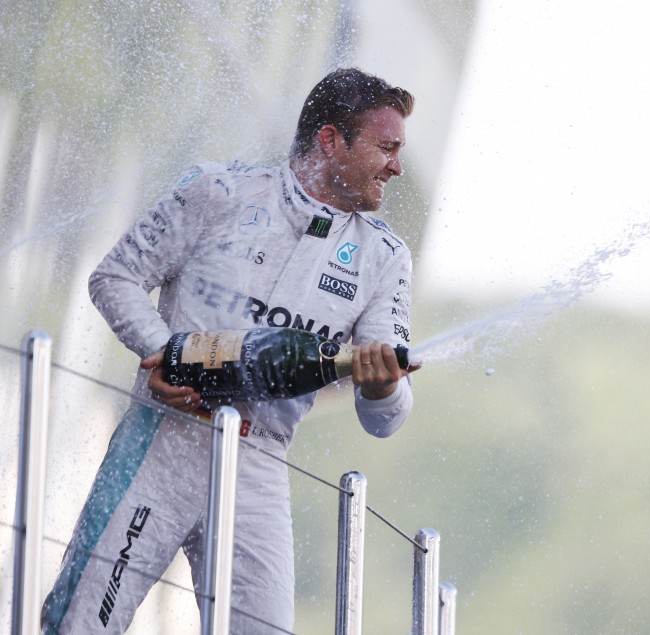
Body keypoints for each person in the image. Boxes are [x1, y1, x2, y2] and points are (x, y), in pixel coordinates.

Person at [42, 68, 420, 633]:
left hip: (260, 463)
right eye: (385, 148)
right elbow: (114, 276)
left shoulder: (385, 257)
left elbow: (385, 418)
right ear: (330, 140)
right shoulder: (217, 190)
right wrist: (161, 354)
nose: (396, 166)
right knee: (79, 623)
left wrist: (384, 383)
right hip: (162, 436)